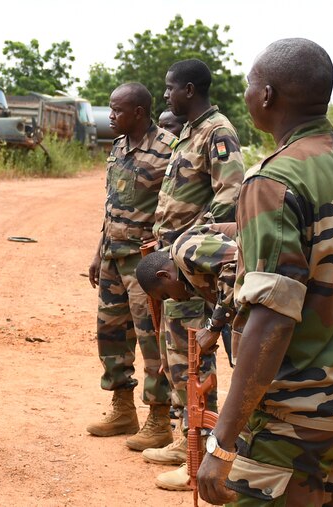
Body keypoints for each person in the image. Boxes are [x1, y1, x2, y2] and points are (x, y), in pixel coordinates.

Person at [197, 38, 333, 506]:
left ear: (268, 95)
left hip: (291, 426)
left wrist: (223, 439)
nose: (247, 94)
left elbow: (272, 317)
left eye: (251, 85)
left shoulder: (274, 180)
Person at [144, 58, 245, 491]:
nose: (165, 95)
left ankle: (201, 450)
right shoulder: (189, 130)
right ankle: (185, 433)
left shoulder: (217, 131)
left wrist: (188, 240)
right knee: (175, 354)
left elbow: (231, 192)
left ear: (189, 89)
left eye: (169, 89)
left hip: (195, 265)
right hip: (177, 260)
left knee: (192, 355)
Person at [86, 83, 175, 452]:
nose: (111, 116)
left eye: (117, 110)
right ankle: (122, 408)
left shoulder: (168, 149)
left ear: (138, 112)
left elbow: (176, 208)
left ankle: (159, 419)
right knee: (110, 335)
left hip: (144, 262)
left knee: (151, 339)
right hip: (111, 257)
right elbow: (112, 206)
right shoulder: (118, 146)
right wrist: (97, 251)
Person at [136, 222, 237, 358]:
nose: (176, 300)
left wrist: (213, 328)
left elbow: (235, 264)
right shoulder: (190, 280)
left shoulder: (183, 249)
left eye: (166, 295)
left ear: (164, 275)